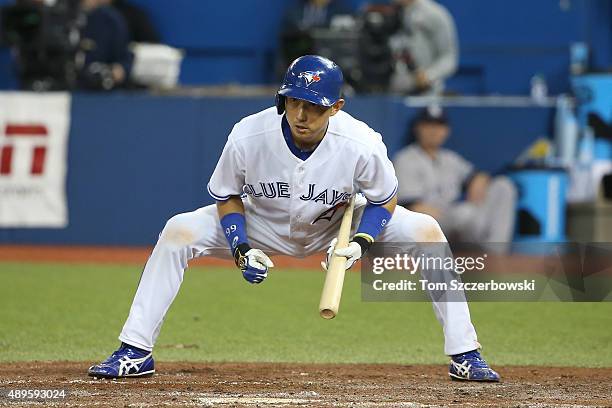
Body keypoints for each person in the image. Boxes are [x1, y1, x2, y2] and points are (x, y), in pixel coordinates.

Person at [87, 55, 500, 382]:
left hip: (339, 222)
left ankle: (465, 354)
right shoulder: (248, 135)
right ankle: (135, 350)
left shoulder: (361, 143)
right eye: (293, 102)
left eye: (313, 107)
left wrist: (362, 243)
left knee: (427, 230)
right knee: (178, 230)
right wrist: (240, 246)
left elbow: (384, 200)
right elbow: (227, 195)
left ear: (336, 108)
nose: (301, 115)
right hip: (261, 222)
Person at [393, 107, 517, 252]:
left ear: (446, 131)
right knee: (464, 213)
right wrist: (452, 215)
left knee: (503, 186)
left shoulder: (450, 159)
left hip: (461, 221)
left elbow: (476, 176)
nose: (434, 131)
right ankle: (484, 253)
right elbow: (413, 207)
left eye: (439, 126)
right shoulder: (406, 159)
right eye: (428, 125)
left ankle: (496, 253)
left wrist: (478, 179)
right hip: (430, 226)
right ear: (418, 128)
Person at [388, 0, 458, 95]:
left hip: (427, 94)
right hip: (391, 93)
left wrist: (428, 75)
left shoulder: (433, 13)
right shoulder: (387, 14)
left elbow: (449, 59)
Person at [77, 0, 133, 90]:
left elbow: (124, 60)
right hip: (59, 91)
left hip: (102, 92)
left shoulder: (109, 19)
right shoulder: (61, 14)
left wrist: (119, 70)